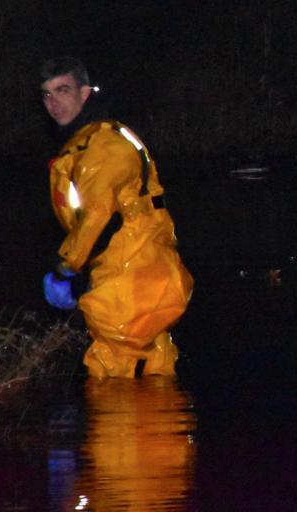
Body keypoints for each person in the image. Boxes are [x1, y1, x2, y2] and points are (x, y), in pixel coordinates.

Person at [40, 57, 193, 378]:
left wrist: (65, 267)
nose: (54, 103)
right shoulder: (84, 145)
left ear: (84, 93)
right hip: (135, 278)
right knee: (150, 369)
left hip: (131, 283)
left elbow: (99, 216)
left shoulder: (103, 145)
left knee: (116, 380)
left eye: (63, 90)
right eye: (47, 94)